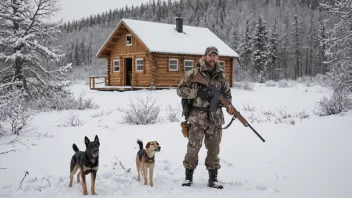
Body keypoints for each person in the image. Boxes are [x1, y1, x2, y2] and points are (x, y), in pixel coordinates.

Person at [177, 46, 235, 189]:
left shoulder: (221, 77)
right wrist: (197, 92)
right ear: (205, 56)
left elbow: (227, 96)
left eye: (215, 56)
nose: (213, 59)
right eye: (210, 55)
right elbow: (180, 90)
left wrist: (228, 106)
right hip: (197, 118)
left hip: (215, 120)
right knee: (193, 148)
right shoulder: (193, 73)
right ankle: (188, 177)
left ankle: (213, 179)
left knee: (214, 150)